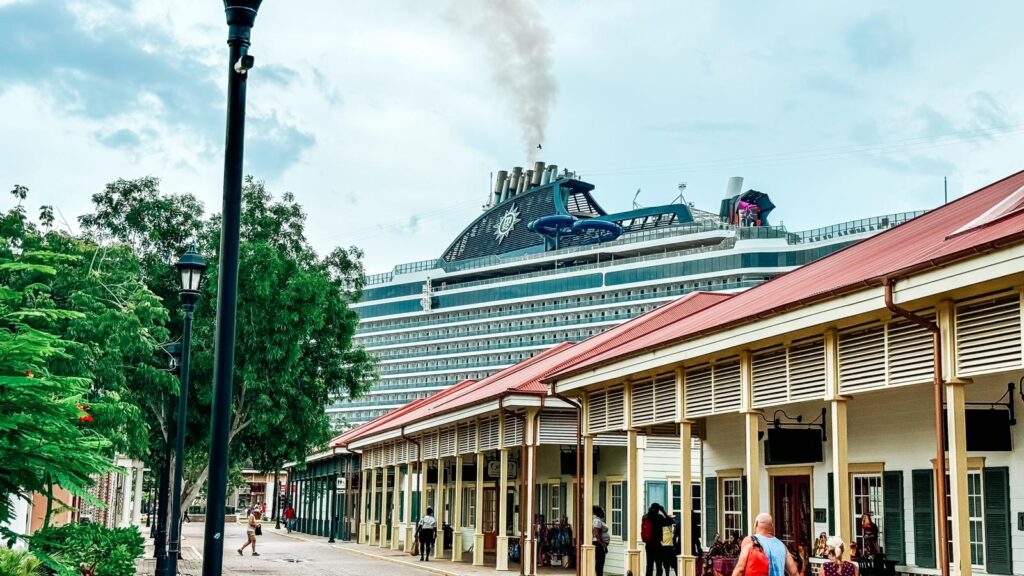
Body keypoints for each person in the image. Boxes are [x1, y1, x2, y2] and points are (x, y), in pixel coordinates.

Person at [731, 513, 798, 576]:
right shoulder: (782, 546)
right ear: (772, 526)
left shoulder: (750, 540)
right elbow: (794, 573)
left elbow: (739, 570)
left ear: (756, 523)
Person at [642, 503, 673, 576]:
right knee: (659, 566)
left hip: (649, 544)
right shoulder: (659, 517)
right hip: (657, 545)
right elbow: (670, 522)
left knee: (649, 565)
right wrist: (663, 511)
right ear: (658, 510)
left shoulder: (645, 517)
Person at [592, 505, 610, 576]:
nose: (604, 513)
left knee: (600, 562)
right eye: (602, 511)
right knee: (600, 562)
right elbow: (596, 533)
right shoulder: (597, 521)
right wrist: (603, 544)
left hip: (599, 543)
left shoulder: (599, 520)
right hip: (599, 544)